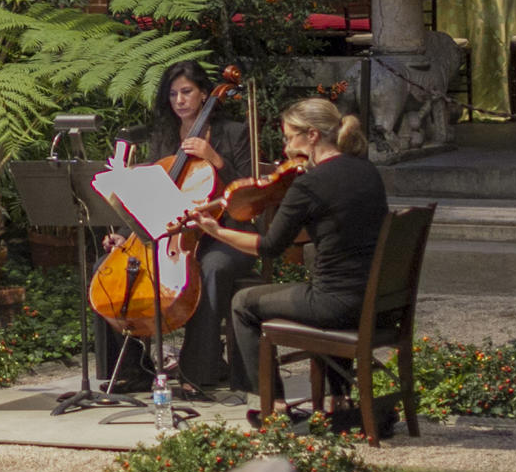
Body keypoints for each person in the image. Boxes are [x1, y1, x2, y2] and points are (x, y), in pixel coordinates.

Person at [189, 97, 387, 425]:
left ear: (311, 136)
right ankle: (339, 399)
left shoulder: (310, 184)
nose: (286, 145)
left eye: (289, 136)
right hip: (374, 300)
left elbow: (269, 247)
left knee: (242, 303)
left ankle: (275, 407)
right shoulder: (367, 171)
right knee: (311, 285)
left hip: (334, 304)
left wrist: (216, 231)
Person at [97, 60, 254, 396]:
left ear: (202, 93)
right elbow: (153, 196)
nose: (180, 100)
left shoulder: (233, 133)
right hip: (173, 235)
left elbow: (247, 193)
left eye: (187, 92)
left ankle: (198, 372)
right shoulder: (165, 136)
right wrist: (127, 233)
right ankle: (131, 369)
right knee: (106, 268)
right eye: (173, 94)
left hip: (226, 233)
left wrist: (215, 159)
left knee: (209, 267)